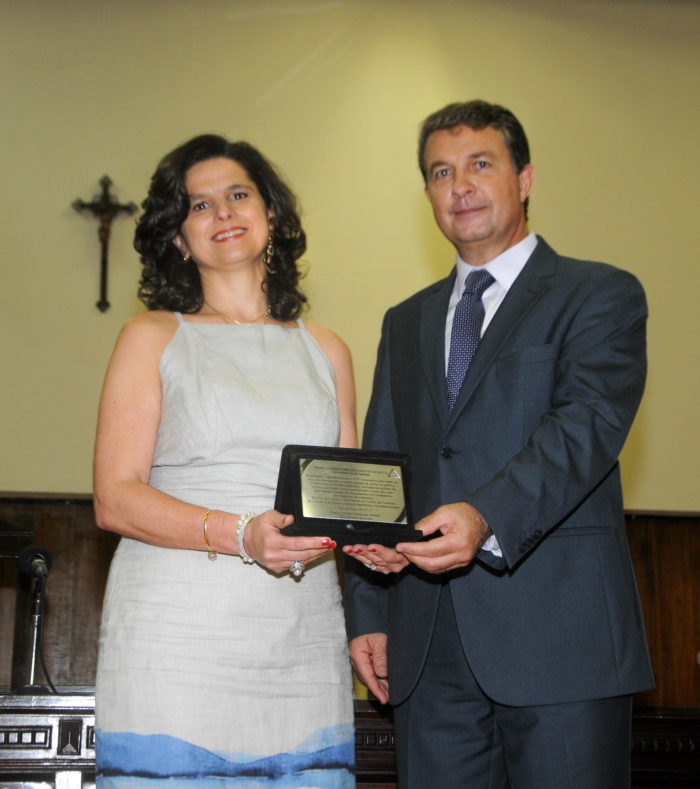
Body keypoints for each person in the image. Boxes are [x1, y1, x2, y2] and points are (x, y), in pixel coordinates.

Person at [342, 101, 654, 788]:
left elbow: (587, 425)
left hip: (561, 640)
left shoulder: (599, 294)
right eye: (440, 172)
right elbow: (381, 465)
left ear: (526, 177)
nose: (461, 186)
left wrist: (484, 513)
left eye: (481, 164)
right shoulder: (405, 322)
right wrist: (366, 610)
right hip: (427, 646)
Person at [93, 134, 357, 787]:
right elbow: (114, 496)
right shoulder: (152, 336)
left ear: (270, 213)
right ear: (180, 238)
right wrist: (242, 533)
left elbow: (345, 496)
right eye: (199, 205)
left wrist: (369, 540)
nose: (224, 213)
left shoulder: (328, 349)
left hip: (301, 642)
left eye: (238, 194)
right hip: (177, 641)